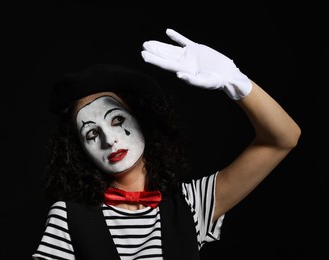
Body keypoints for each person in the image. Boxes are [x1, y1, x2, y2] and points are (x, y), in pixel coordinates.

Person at [32, 28, 301, 260]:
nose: (109, 139)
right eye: (91, 134)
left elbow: (283, 139)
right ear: (79, 151)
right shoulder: (68, 215)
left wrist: (237, 83)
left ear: (142, 120)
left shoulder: (192, 202)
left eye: (116, 120)